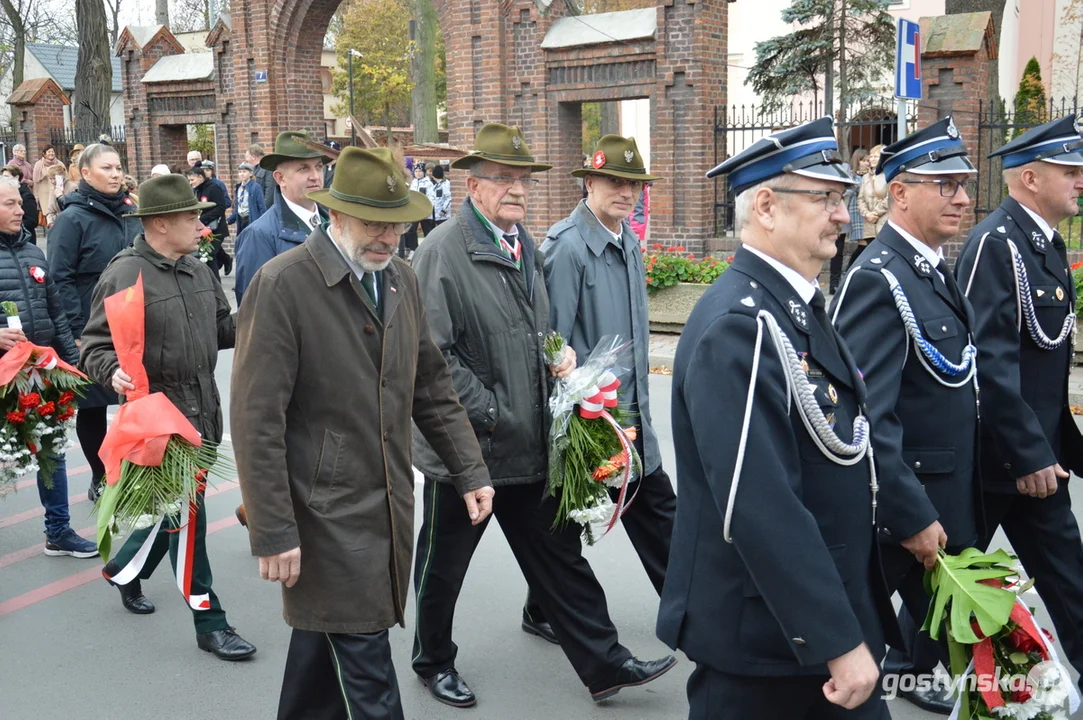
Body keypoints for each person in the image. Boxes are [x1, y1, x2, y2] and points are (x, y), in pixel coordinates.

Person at [411, 122, 676, 708]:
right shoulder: (441, 252)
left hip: (525, 442)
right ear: (474, 186)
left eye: (524, 181)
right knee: (443, 565)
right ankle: (432, 659)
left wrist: (559, 361)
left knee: (559, 556)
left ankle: (605, 665)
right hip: (465, 449)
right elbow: (431, 358)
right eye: (504, 179)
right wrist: (495, 409)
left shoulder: (522, 244)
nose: (517, 190)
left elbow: (537, 330)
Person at [231, 146, 494, 720]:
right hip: (321, 514)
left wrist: (468, 467)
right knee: (367, 663)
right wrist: (273, 529)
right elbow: (256, 421)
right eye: (374, 223)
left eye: (397, 224)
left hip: (388, 503)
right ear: (336, 215)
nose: (388, 237)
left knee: (322, 653)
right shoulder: (283, 285)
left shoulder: (399, 277)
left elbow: (431, 384)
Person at [659, 117, 897, 720]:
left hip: (806, 625)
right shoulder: (741, 326)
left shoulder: (793, 307)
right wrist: (837, 641)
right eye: (825, 198)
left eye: (841, 198)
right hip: (767, 640)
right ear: (766, 206)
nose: (844, 215)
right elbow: (761, 504)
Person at [831, 117, 981, 715]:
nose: (964, 198)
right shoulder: (880, 278)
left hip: (945, 499)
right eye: (946, 184)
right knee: (845, 655)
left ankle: (911, 672)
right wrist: (910, 513)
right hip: (902, 512)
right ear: (899, 193)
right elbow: (867, 415)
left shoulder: (930, 267)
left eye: (963, 184)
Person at [81, 173, 255, 662]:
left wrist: (257, 313)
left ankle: (125, 571)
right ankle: (211, 622)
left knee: (178, 514)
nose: (201, 227)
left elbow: (222, 330)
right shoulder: (124, 274)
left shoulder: (199, 270)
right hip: (160, 425)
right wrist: (111, 370)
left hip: (204, 415)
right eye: (191, 217)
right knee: (188, 524)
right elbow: (94, 343)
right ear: (159, 223)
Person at [955, 115, 1083, 692]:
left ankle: (904, 660)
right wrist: (1029, 452)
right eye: (1070, 170)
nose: (1081, 179)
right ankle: (895, 662)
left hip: (1035, 452)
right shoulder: (996, 243)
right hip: (1006, 456)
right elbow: (990, 361)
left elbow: (1046, 363)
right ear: (1029, 178)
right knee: (949, 563)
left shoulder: (1045, 245)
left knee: (966, 563)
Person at [541, 134, 675, 607]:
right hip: (596, 418)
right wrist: (579, 409)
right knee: (574, 516)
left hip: (632, 415)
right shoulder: (568, 246)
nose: (627, 192)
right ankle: (696, 615)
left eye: (634, 183)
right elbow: (550, 340)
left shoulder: (628, 240)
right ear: (590, 181)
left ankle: (693, 613)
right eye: (615, 181)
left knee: (655, 514)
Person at [0, 177, 96, 558]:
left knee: (52, 449)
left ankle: (58, 531)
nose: (20, 209)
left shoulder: (32, 252)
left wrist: (72, 363)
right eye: (9, 204)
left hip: (38, 373)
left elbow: (55, 311)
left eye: (18, 203)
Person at [47, 143, 140, 502]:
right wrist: (76, 332)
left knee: (136, 398)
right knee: (94, 404)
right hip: (92, 328)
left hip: (133, 322)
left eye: (118, 167)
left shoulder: (130, 212)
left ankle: (136, 471)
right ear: (85, 174)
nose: (116, 174)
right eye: (107, 168)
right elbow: (59, 278)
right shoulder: (71, 220)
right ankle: (102, 477)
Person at [233, 131, 329, 305]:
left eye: (318, 166)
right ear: (280, 178)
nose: (315, 176)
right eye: (303, 168)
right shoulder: (259, 235)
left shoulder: (333, 225)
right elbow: (255, 311)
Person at [828, 148, 867, 292]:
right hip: (836, 209)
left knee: (840, 249)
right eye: (863, 160)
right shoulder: (846, 170)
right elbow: (845, 189)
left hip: (847, 211)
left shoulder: (865, 174)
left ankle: (837, 282)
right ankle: (830, 282)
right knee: (834, 249)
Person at [185, 166, 228, 278]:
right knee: (208, 256)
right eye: (189, 180)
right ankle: (225, 261)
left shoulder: (214, 188)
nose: (190, 183)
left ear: (200, 177)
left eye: (192, 180)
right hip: (203, 228)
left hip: (215, 228)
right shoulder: (196, 191)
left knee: (210, 255)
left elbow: (220, 207)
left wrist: (202, 219)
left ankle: (215, 284)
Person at [855, 144, 887, 265]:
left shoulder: (889, 175)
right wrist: (867, 214)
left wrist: (876, 213)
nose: (872, 159)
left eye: (876, 156)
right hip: (868, 222)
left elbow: (891, 197)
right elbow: (860, 199)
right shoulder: (865, 177)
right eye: (871, 156)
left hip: (883, 219)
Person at [226, 162, 266, 236]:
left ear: (250, 174)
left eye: (244, 172)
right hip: (241, 221)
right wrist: (229, 220)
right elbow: (238, 208)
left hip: (251, 220)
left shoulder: (256, 187)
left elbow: (262, 208)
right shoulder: (239, 188)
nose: (241, 174)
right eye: (240, 172)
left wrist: (262, 224)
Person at [400, 164, 431, 257]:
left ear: (424, 172)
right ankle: (413, 249)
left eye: (420, 171)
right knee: (411, 230)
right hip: (414, 210)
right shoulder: (412, 182)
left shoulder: (428, 183)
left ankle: (429, 249)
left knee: (428, 231)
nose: (418, 173)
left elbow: (431, 197)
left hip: (425, 209)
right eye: (416, 171)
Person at [1, 165, 38, 237]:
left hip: (24, 238)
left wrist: (15, 225)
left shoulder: (26, 196)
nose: (4, 180)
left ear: (17, 177)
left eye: (6, 177)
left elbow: (32, 221)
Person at [32, 146, 63, 219]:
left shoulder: (59, 163)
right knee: (47, 214)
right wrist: (36, 196)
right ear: (44, 154)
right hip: (43, 194)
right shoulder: (39, 164)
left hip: (57, 192)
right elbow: (35, 181)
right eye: (49, 152)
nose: (51, 153)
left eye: (52, 151)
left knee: (58, 212)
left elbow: (65, 177)